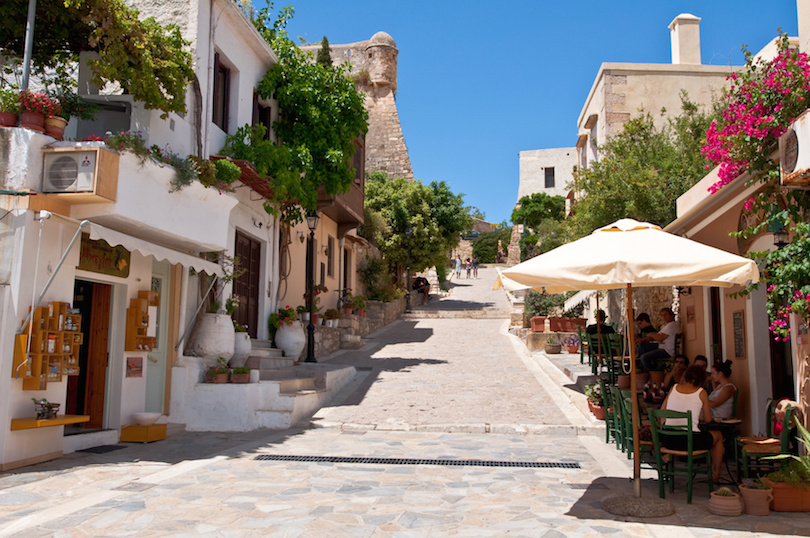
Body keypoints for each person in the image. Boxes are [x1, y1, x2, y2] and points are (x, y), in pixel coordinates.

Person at [660, 365, 724, 482]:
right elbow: (708, 419)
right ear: (702, 380)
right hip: (688, 441)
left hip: (668, 439)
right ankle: (716, 472)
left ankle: (669, 457)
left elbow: (663, 411)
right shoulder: (701, 392)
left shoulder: (674, 388)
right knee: (718, 435)